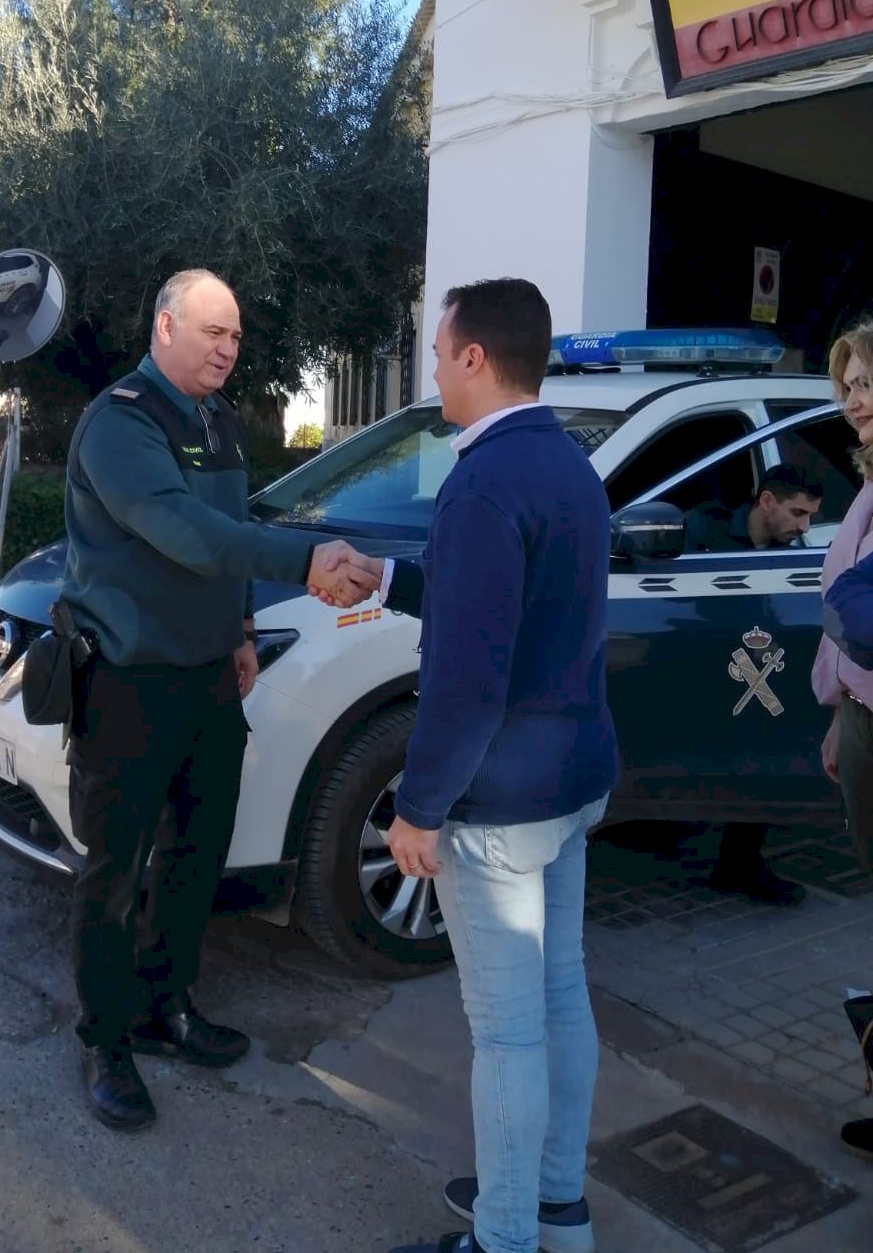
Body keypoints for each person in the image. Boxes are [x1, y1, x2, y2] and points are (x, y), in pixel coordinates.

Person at [59, 268, 379, 1131]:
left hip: (207, 678)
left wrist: (241, 627)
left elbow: (229, 531)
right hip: (127, 681)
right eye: (212, 331)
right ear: (165, 327)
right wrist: (304, 564)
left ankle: (168, 1006)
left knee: (195, 855)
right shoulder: (121, 421)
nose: (228, 348)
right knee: (114, 871)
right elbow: (185, 530)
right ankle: (106, 1038)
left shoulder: (219, 419)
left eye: (235, 335)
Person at [366, 279, 616, 1253]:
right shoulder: (568, 465)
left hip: (501, 804)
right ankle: (556, 1205)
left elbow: (468, 679)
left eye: (438, 354)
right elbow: (507, 603)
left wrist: (419, 807)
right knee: (561, 998)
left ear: (476, 357)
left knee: (507, 1031)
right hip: (571, 785)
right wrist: (389, 577)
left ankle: (506, 1236)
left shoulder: (481, 482)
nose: (433, 371)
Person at [685, 465, 824, 907]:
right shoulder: (703, 529)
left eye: (811, 516)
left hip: (745, 668)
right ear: (766, 502)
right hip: (690, 663)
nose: (805, 527)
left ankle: (739, 863)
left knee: (764, 739)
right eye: (797, 513)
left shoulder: (790, 552)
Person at [812, 320, 873, 1164]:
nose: (854, 401)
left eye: (866, 383)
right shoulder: (867, 482)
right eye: (848, 387)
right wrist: (837, 712)